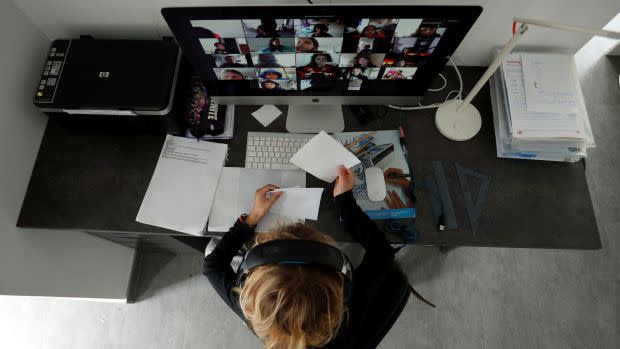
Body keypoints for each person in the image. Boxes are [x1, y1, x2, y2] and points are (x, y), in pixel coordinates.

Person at [204, 165, 408, 348]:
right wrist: (345, 202)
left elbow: (212, 264)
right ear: (342, 288)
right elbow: (383, 253)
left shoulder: (260, 313)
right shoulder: (351, 313)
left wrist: (250, 220)